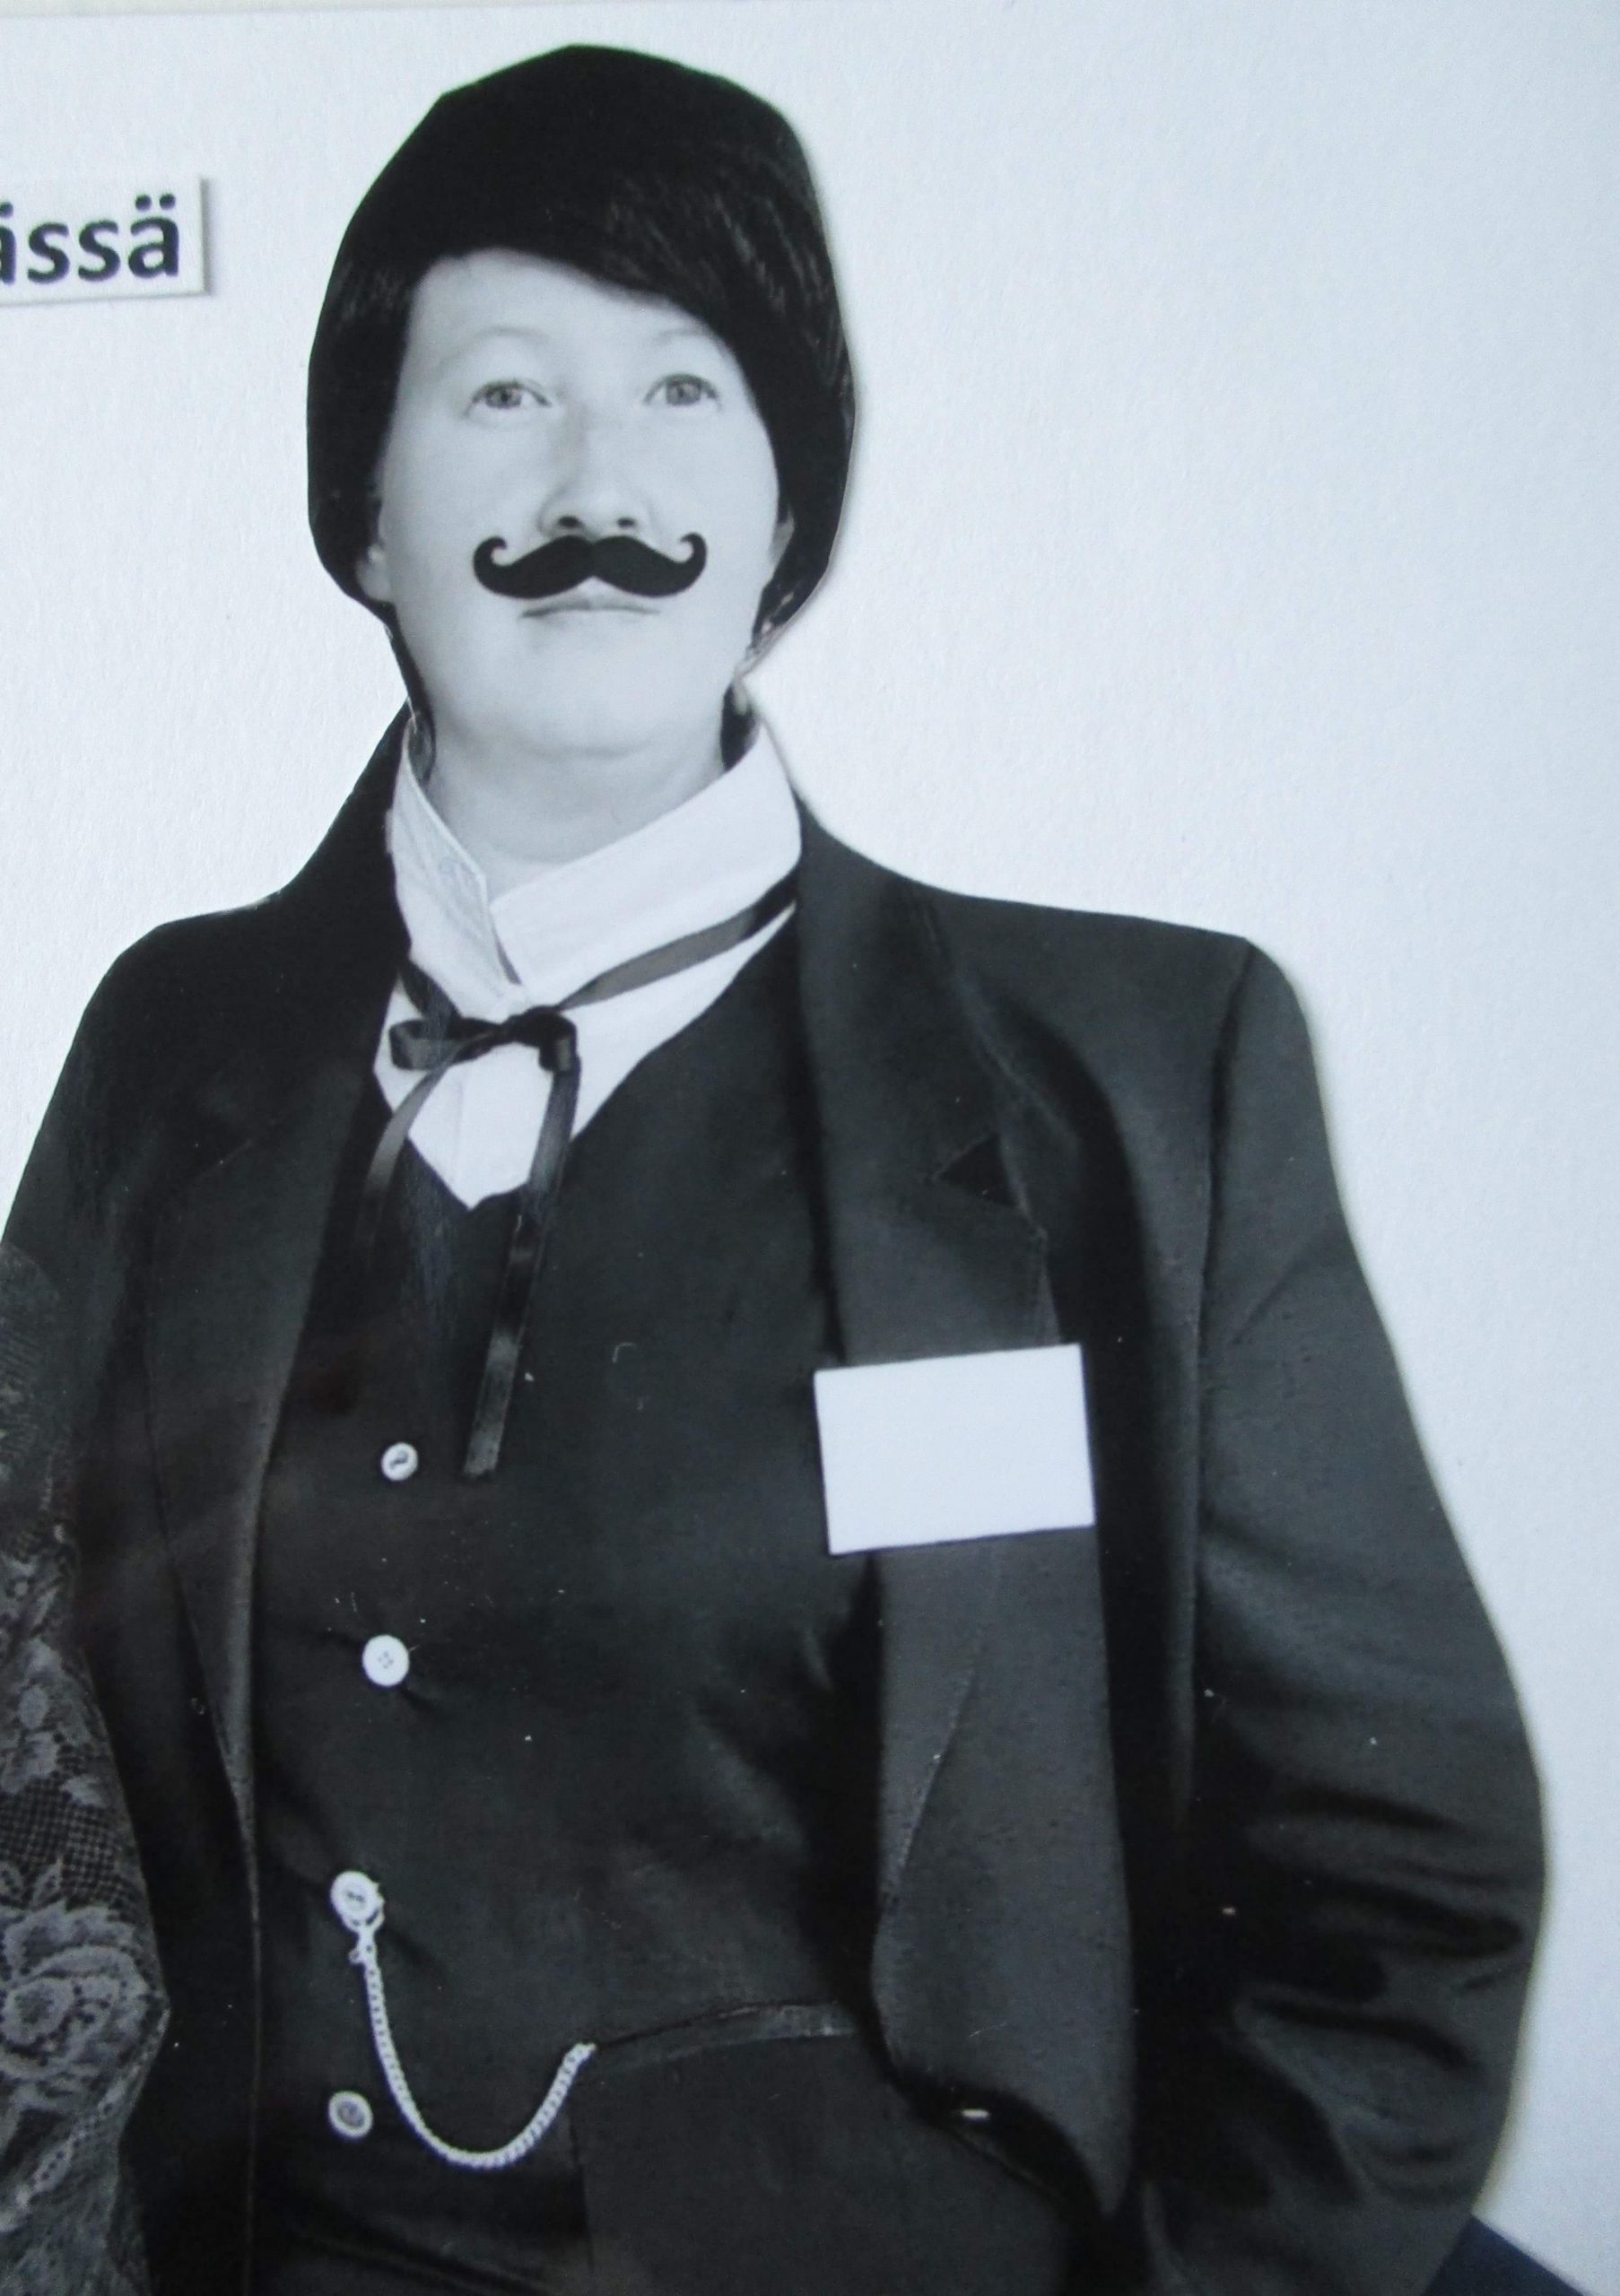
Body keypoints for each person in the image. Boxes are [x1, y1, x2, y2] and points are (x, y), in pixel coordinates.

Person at [0, 41, 1551, 2296]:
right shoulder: (174, 1044)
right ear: (367, 514)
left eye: (685, 390)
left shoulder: (1142, 1078)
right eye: (504, 393)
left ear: (788, 518)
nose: (598, 482)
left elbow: (1395, 1889)